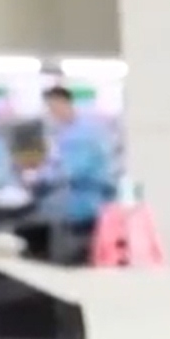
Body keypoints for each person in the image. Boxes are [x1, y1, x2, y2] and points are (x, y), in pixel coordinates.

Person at [39, 85, 117, 237]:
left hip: (89, 204)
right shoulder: (68, 130)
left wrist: (44, 179)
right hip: (81, 201)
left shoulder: (83, 133)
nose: (51, 112)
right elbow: (58, 162)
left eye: (52, 107)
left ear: (64, 103)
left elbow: (73, 170)